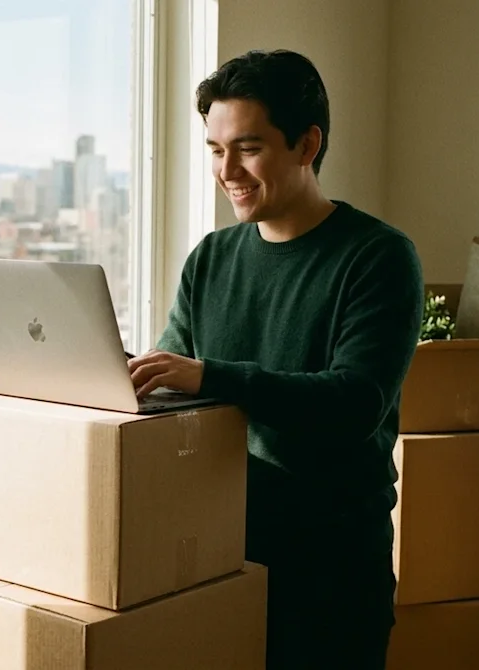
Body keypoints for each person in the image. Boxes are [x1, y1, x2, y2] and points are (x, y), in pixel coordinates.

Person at [128, 49, 424, 668]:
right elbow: (172, 384)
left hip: (331, 574)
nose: (227, 170)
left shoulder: (379, 257)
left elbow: (355, 403)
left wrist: (212, 375)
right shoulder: (211, 258)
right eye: (216, 149)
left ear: (307, 144)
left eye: (248, 148)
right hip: (220, 557)